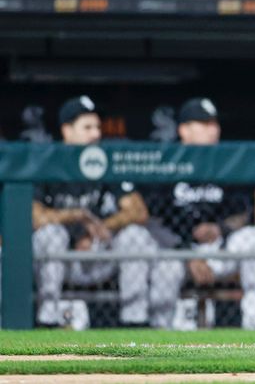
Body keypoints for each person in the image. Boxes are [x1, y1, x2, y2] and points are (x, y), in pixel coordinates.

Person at [32, 96, 166, 327]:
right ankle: (48, 317)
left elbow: (138, 210)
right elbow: (36, 217)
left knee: (137, 235)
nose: (96, 134)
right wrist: (78, 216)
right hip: (60, 258)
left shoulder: (106, 160)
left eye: (97, 127)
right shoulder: (47, 163)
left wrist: (100, 227)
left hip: (98, 252)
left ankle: (134, 321)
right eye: (87, 127)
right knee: (51, 234)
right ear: (67, 130)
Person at [145, 98, 255, 329]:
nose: (213, 129)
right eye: (204, 123)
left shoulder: (228, 163)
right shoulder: (166, 164)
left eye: (214, 123)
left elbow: (243, 214)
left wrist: (220, 229)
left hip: (219, 250)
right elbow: (151, 220)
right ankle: (158, 331)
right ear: (184, 130)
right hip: (177, 252)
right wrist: (185, 253)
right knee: (165, 266)